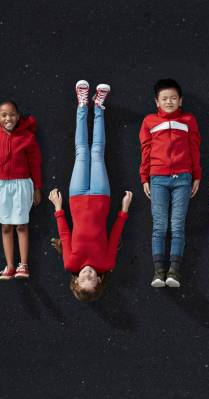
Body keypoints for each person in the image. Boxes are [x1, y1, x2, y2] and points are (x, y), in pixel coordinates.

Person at [48, 80, 133, 302]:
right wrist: (123, 210)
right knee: (97, 151)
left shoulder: (70, 263)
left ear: (76, 281)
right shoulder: (107, 263)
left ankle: (82, 105)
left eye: (83, 279)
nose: (87, 275)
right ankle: (99, 107)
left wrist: (58, 208)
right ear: (99, 280)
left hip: (76, 198)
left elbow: (65, 235)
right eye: (92, 280)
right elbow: (114, 236)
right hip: (101, 197)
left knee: (81, 151)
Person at [139, 79, 201, 288]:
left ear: (180, 100)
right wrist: (144, 177)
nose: (169, 102)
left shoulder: (188, 120)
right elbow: (145, 150)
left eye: (173, 98)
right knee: (159, 226)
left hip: (183, 178)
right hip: (158, 179)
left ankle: (174, 271)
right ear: (156, 101)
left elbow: (194, 148)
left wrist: (197, 176)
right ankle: (158, 272)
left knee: (177, 226)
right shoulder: (149, 121)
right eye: (164, 98)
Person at [0, 100, 42, 281]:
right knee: (6, 226)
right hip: (0, 186)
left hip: (21, 185)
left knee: (22, 225)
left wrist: (37, 187)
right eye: (4, 115)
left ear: (18, 117)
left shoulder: (27, 137)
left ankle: (23, 265)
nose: (8, 118)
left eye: (12, 114)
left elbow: (35, 163)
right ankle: (9, 266)